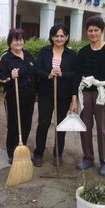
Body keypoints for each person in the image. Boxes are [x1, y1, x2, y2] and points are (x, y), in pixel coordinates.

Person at [71, 16, 105, 177]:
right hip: (85, 93)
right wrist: (74, 98)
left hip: (102, 94)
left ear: (101, 31)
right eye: (90, 30)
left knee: (103, 129)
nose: (93, 33)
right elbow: (77, 76)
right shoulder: (83, 52)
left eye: (96, 30)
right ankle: (88, 158)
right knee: (85, 127)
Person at [32, 24, 76, 167]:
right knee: (44, 123)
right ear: (51, 37)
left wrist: (62, 73)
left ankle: (58, 154)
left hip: (64, 95)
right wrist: (48, 74)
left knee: (61, 125)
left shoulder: (71, 54)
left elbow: (75, 74)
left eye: (62, 36)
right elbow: (37, 69)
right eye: (56, 36)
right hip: (46, 94)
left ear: (67, 37)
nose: (59, 38)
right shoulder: (44, 52)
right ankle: (38, 153)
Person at [0, 28, 36, 164]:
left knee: (27, 123)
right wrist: (10, 76)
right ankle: (12, 152)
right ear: (10, 42)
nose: (19, 42)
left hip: (29, 97)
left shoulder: (29, 55)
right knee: (14, 124)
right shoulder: (6, 57)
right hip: (13, 97)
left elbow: (34, 73)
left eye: (21, 39)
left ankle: (22, 148)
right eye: (15, 40)